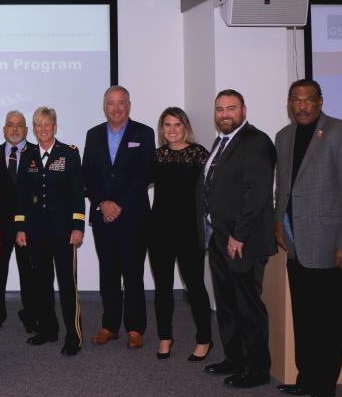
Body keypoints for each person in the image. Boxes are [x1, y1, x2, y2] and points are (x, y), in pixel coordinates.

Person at [273, 79, 342, 397]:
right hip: (297, 242)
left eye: (308, 99)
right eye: (296, 99)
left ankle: (324, 390)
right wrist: (277, 223)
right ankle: (306, 377)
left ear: (320, 101)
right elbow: (284, 189)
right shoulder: (284, 137)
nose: (302, 105)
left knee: (328, 320)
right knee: (304, 314)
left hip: (332, 245)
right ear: (289, 103)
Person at [197, 89, 276, 389]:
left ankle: (256, 369)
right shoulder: (222, 141)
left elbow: (257, 194)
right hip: (220, 237)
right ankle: (235, 359)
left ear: (243, 109)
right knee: (227, 302)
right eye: (219, 109)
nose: (224, 114)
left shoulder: (256, 142)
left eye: (231, 108)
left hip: (243, 241)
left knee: (247, 305)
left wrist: (238, 235)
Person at [82, 86, 155, 349]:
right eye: (111, 103)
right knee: (108, 272)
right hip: (103, 215)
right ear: (104, 107)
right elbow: (87, 174)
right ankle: (109, 326)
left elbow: (145, 174)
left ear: (129, 105)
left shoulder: (144, 133)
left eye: (121, 103)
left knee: (133, 273)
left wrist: (119, 204)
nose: (116, 108)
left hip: (133, 215)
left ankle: (135, 329)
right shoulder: (93, 134)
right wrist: (103, 203)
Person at [15, 106, 86, 355]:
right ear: (33, 129)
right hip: (37, 232)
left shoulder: (69, 153)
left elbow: (78, 193)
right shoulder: (28, 156)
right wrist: (20, 227)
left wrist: (78, 226)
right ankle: (48, 329)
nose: (43, 129)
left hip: (64, 232)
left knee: (67, 284)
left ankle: (73, 335)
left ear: (55, 126)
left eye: (47, 124)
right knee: (41, 284)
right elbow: (22, 196)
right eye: (38, 125)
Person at [147, 107, 212, 361]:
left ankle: (205, 339)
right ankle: (165, 337)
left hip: (189, 231)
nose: (172, 130)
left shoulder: (199, 154)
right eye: (167, 125)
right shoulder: (157, 156)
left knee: (194, 286)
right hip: (159, 231)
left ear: (185, 126)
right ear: (161, 130)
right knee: (162, 287)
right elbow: (135, 184)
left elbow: (212, 192)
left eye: (176, 125)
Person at [0, 111, 37, 335]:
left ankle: (32, 315)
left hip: (30, 226)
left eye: (19, 125)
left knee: (31, 273)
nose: (15, 129)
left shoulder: (38, 154)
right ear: (4, 130)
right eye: (10, 125)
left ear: (26, 130)